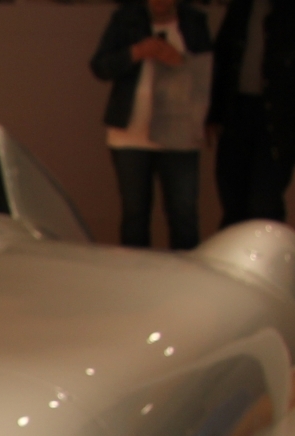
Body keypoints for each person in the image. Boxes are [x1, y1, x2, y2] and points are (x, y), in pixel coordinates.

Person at [91, 0, 215, 250]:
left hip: (179, 132)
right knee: (134, 214)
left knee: (183, 214)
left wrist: (179, 60)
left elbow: (209, 73)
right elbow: (100, 67)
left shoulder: (193, 22)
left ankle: (183, 272)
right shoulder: (126, 18)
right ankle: (134, 272)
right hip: (131, 133)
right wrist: (136, 52)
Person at [209, 0, 295, 226]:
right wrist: (215, 113)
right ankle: (236, 247)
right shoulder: (243, 5)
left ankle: (265, 246)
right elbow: (224, 55)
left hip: (282, 116)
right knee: (233, 196)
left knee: (263, 201)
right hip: (238, 111)